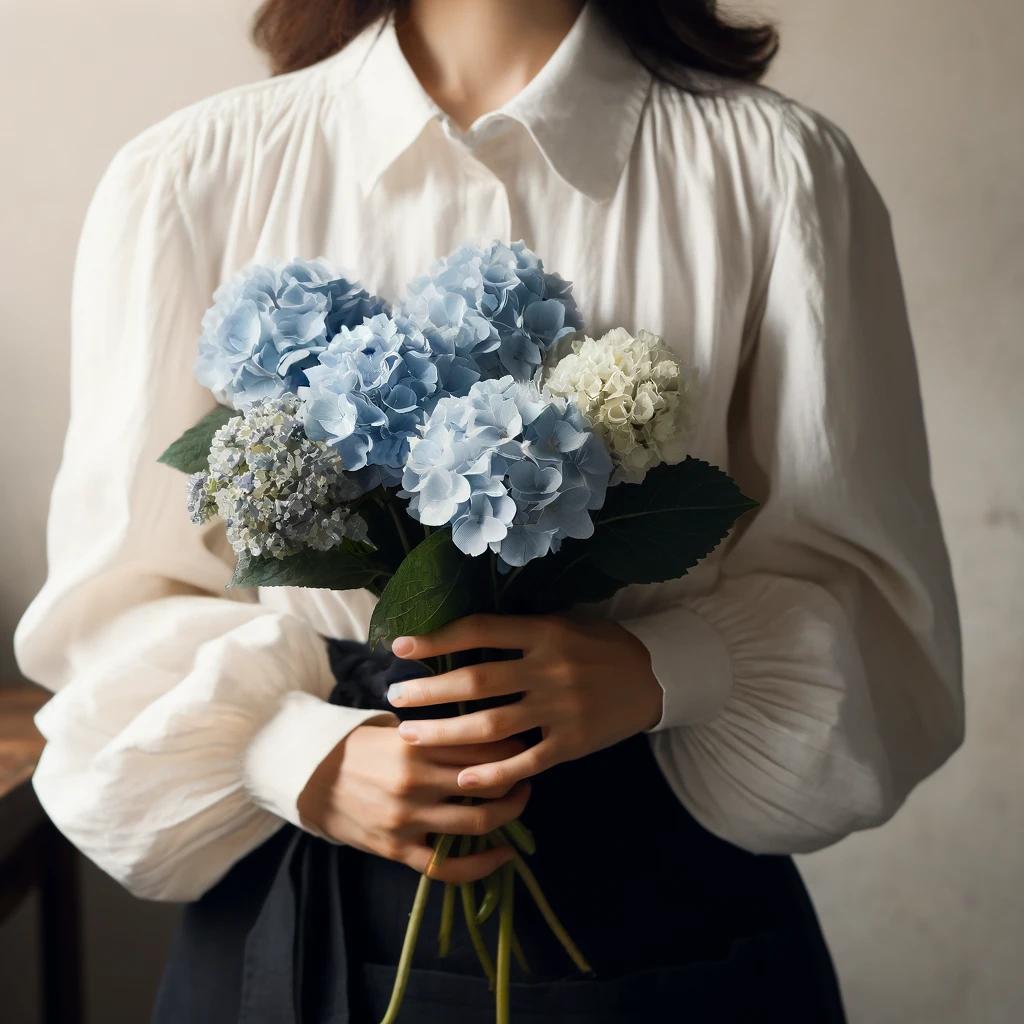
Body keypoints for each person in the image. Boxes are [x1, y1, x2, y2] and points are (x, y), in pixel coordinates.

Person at [14, 1, 964, 1020]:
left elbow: (877, 610)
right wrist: (294, 750)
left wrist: (659, 668)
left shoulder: (774, 171)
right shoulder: (193, 175)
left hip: (658, 894)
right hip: (300, 894)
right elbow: (108, 606)